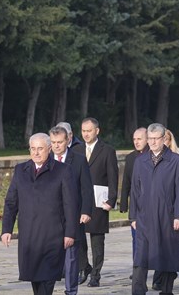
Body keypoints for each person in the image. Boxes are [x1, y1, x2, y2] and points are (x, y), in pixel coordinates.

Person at [2, 132, 79, 294]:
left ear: (49, 149)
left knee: (46, 281)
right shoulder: (21, 170)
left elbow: (70, 204)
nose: (36, 153)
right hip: (29, 237)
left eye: (40, 149)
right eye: (32, 149)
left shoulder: (63, 171)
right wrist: (6, 229)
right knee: (35, 281)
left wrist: (70, 233)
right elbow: (11, 203)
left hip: (52, 237)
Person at [129, 123, 179, 295]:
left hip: (168, 218)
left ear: (164, 139)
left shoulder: (177, 162)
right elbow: (134, 190)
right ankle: (138, 291)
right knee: (140, 258)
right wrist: (133, 217)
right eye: (150, 138)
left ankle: (166, 290)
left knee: (169, 255)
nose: (153, 142)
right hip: (144, 218)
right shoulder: (140, 161)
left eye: (157, 138)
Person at [72, 117, 120, 287]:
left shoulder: (107, 150)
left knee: (97, 241)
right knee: (78, 237)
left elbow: (113, 177)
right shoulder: (76, 150)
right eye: (83, 131)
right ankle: (85, 267)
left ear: (97, 131)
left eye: (89, 130)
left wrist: (112, 199)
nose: (86, 134)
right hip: (79, 201)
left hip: (99, 201)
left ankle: (96, 275)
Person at [49, 126, 93, 295]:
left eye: (60, 142)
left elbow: (86, 189)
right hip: (51, 215)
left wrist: (86, 211)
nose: (56, 146)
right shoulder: (47, 159)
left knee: (72, 254)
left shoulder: (79, 160)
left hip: (73, 214)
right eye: (53, 142)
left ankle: (71, 290)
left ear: (68, 140)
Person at [119, 127, 149, 281]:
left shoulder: (153, 155)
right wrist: (124, 203)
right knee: (136, 238)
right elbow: (126, 182)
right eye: (134, 139)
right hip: (136, 205)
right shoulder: (131, 158)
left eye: (140, 139)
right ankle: (137, 267)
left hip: (151, 204)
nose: (136, 142)